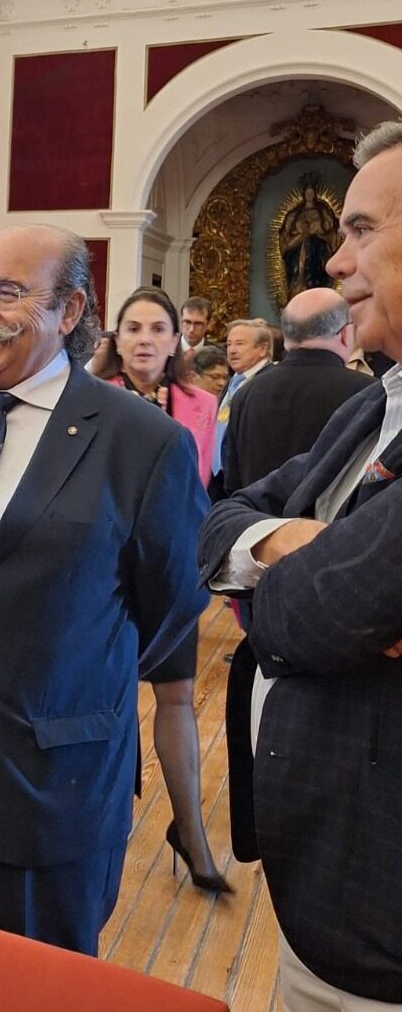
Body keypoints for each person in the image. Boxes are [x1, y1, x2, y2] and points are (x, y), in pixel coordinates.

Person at [0, 225, 208, 955]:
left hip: (51, 787)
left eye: (9, 293)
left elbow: (171, 606)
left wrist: (63, 669)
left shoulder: (142, 442)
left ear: (70, 309)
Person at [199, 120, 402, 1010]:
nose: (335, 261)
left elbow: (308, 620)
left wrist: (276, 577)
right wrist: (286, 542)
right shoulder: (371, 406)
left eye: (362, 230)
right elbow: (220, 519)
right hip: (322, 881)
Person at [92, 287, 230, 894]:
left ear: (177, 340)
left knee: (176, 698)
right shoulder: (90, 397)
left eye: (157, 328)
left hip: (172, 570)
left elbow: (205, 486)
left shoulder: (202, 404)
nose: (145, 339)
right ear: (116, 339)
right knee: (106, 698)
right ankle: (103, 826)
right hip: (102, 573)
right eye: (133, 327)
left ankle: (192, 834)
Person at [224, 289, 373, 495]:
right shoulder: (368, 394)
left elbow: (232, 480)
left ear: (287, 337)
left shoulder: (246, 393)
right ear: (346, 334)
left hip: (256, 513)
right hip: (330, 515)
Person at [211, 319, 273, 496]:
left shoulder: (268, 382)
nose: (232, 350)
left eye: (239, 344)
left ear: (262, 349)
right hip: (219, 476)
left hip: (246, 482)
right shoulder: (234, 380)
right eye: (229, 344)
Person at [278, 175, 340, 301]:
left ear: (315, 194)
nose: (310, 195)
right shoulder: (295, 214)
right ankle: (297, 294)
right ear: (304, 194)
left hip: (317, 251)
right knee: (297, 272)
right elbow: (285, 235)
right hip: (296, 252)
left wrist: (316, 230)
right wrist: (300, 236)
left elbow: (331, 229)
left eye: (312, 192)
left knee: (314, 271)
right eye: (307, 192)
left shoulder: (323, 212)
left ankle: (316, 295)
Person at [180, 295, 212, 361]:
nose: (191, 329)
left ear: (208, 324)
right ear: (181, 322)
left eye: (198, 324)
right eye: (187, 322)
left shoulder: (219, 354)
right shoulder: (165, 349)